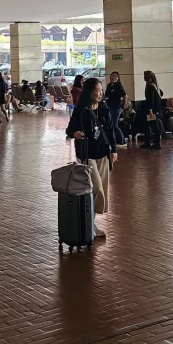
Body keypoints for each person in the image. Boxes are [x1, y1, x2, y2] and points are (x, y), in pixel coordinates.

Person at [65, 77, 117, 238]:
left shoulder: (104, 108)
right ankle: (88, 223)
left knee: (100, 190)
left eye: (101, 90)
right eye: (97, 90)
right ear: (89, 91)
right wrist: (75, 133)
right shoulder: (81, 110)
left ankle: (90, 224)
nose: (100, 93)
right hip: (87, 155)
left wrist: (113, 150)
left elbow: (110, 131)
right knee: (97, 189)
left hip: (103, 154)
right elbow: (69, 130)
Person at [139, 70, 163, 149]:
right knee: (148, 125)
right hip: (156, 109)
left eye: (145, 76)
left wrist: (150, 111)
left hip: (152, 110)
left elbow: (150, 100)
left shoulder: (150, 86)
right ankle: (149, 142)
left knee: (154, 126)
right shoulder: (155, 85)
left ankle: (156, 143)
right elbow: (161, 93)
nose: (144, 77)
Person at [104, 72, 127, 148]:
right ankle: (114, 140)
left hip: (116, 107)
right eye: (112, 76)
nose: (114, 78)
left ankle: (122, 140)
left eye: (115, 76)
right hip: (109, 106)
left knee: (114, 124)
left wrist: (124, 104)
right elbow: (106, 95)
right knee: (110, 124)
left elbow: (125, 96)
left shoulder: (118, 86)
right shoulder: (109, 85)